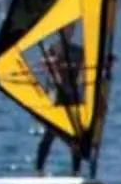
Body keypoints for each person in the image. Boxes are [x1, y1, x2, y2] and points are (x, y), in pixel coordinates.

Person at [32, 29, 87, 174]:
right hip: (56, 98)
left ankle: (76, 172)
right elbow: (42, 64)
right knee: (49, 136)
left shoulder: (78, 51)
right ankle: (40, 171)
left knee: (76, 138)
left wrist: (106, 60)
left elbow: (91, 61)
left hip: (73, 97)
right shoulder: (52, 49)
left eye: (70, 30)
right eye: (64, 30)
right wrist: (51, 63)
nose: (67, 33)